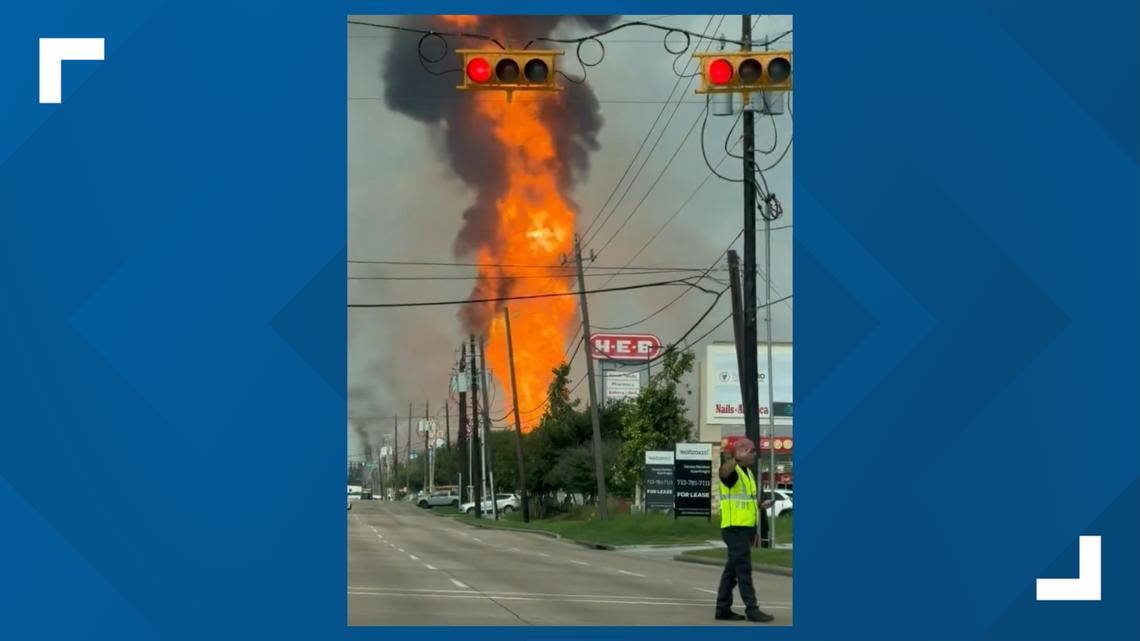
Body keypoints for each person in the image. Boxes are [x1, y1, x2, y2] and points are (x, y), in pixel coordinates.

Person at [714, 437, 774, 623]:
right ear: (741, 451)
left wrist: (760, 505)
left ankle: (722, 609)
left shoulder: (747, 473)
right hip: (734, 528)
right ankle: (752, 609)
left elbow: (744, 499)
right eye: (753, 450)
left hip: (744, 529)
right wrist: (735, 460)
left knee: (731, 571)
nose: (755, 454)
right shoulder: (733, 470)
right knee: (743, 570)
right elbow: (723, 473)